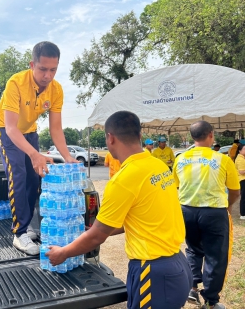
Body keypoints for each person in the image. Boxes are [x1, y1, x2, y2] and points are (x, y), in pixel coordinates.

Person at [47, 111, 192, 309]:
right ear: (140, 136)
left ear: (110, 138)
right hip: (177, 264)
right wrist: (88, 232)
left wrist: (63, 252)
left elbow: (98, 236)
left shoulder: (124, 179)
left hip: (153, 270)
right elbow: (141, 217)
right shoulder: (157, 165)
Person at [0, 41, 77, 255]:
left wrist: (68, 156)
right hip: (6, 129)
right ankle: (19, 234)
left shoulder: (56, 90)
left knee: (35, 177)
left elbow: (56, 128)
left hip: (30, 131)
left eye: (53, 70)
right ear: (32, 64)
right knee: (19, 174)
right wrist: (33, 154)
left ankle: (28, 223)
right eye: (42, 69)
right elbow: (11, 128)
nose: (47, 76)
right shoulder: (16, 83)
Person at [173, 121, 240, 309]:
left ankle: (192, 288)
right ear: (211, 134)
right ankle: (211, 300)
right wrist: (227, 207)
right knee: (216, 255)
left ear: (192, 137)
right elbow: (235, 191)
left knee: (193, 250)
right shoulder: (222, 159)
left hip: (186, 211)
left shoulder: (180, 158)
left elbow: (175, 187)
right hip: (214, 212)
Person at [235, 143, 245, 220]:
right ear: (239, 151)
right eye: (244, 149)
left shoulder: (242, 158)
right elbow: (241, 171)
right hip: (242, 180)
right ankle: (242, 214)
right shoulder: (240, 159)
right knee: (244, 197)